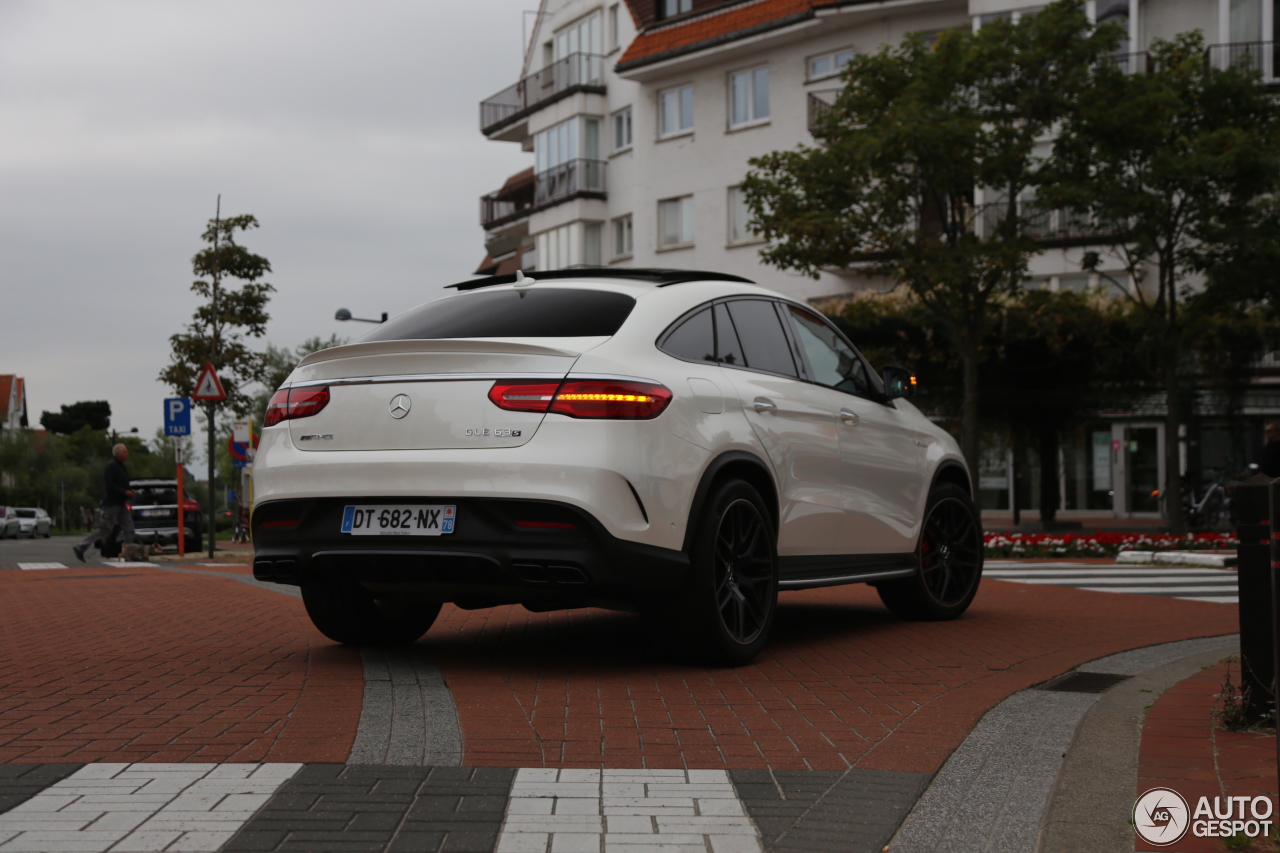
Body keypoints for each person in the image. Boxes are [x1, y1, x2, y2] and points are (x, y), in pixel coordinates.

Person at [73, 443, 137, 562]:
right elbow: (110, 486)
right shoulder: (111, 467)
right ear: (118, 453)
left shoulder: (121, 466)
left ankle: (130, 553)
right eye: (125, 452)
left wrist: (129, 492)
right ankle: (81, 546)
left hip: (121, 503)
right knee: (104, 530)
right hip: (111, 504)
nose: (127, 454)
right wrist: (125, 492)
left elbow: (122, 484)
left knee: (129, 528)